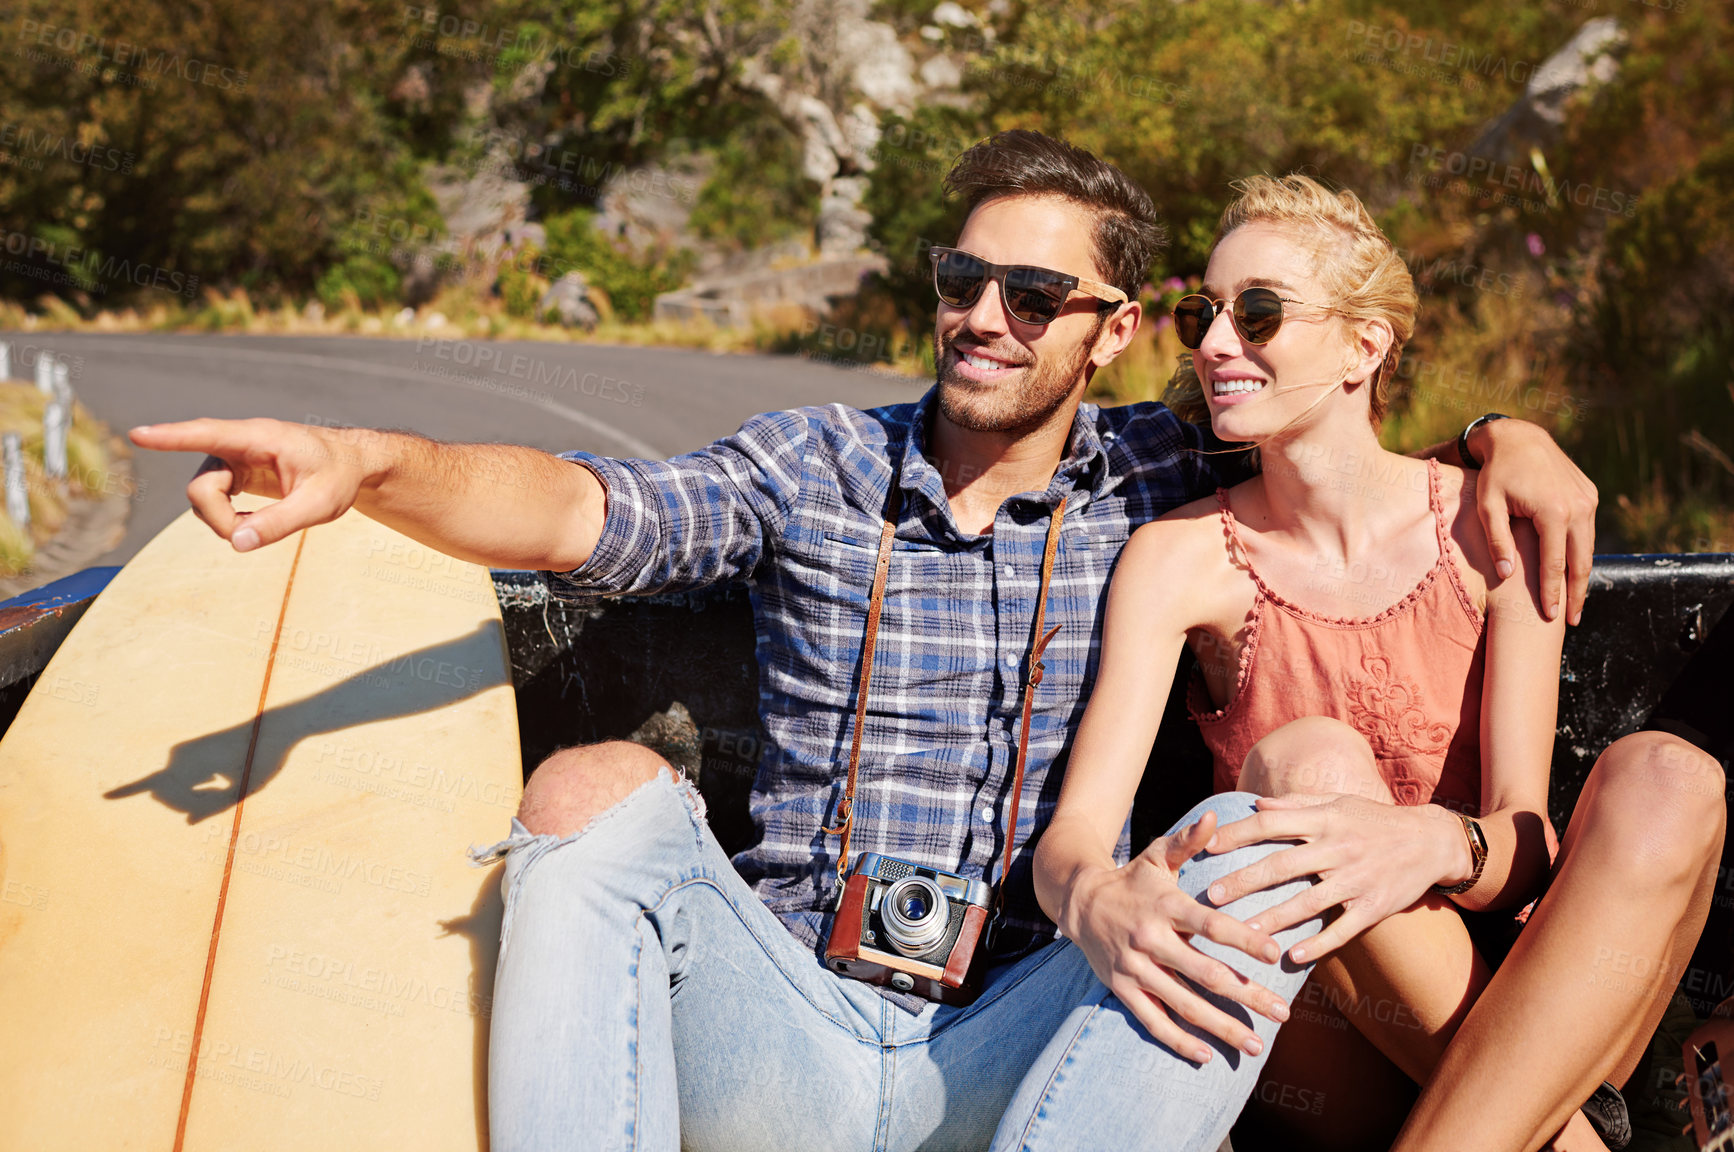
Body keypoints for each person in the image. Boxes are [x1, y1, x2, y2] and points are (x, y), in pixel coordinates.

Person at [131, 131, 1602, 1150]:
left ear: (1110, 332)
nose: (983, 318)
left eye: (1035, 298)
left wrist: (1504, 437)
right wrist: (364, 463)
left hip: (1017, 1041)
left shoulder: (1161, 486)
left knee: (1236, 840)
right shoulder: (812, 466)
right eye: (959, 281)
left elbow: (1338, 445)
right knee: (583, 797)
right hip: (788, 1029)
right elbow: (583, 507)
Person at [1033, 173, 1726, 1152]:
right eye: (1204, 313)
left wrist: (1435, 845)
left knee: (1673, 779)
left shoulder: (1490, 529)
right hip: (1325, 1035)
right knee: (1303, 765)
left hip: (1511, 994)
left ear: (1366, 344)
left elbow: (1525, 847)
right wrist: (1095, 897)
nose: (1215, 344)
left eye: (1259, 313)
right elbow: (1075, 841)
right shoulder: (1180, 560)